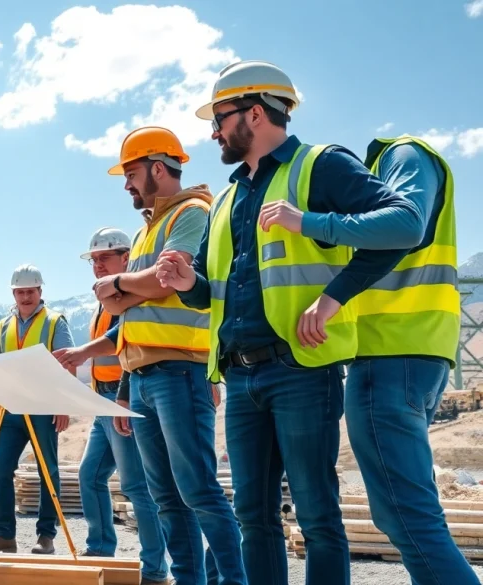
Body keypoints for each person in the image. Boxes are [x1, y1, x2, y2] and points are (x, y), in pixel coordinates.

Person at [156, 60, 420, 585]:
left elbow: (405, 224)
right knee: (253, 518)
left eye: (220, 117)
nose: (213, 131)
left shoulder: (320, 165)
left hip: (300, 370)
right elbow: (215, 294)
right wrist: (187, 284)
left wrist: (330, 291)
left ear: (255, 113)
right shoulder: (228, 198)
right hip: (240, 374)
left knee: (317, 517)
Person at [259, 133, 479, 584]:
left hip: (392, 351)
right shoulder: (397, 163)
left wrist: (311, 222)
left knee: (406, 515)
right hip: (408, 353)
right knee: (402, 513)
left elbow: (405, 223)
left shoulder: (402, 154)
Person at [81, 127, 244, 585]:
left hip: (181, 371)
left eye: (131, 173)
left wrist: (120, 285)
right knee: (165, 496)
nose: (127, 184)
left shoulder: (192, 213)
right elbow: (122, 308)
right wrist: (128, 387)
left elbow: (168, 280)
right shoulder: (146, 229)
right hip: (143, 378)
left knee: (199, 491)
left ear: (157, 168)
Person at [51, 228, 170, 583]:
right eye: (94, 260)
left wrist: (119, 393)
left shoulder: (130, 294)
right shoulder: (106, 299)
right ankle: (101, 549)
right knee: (91, 476)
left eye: (105, 258)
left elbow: (127, 347)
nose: (98, 266)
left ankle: (155, 568)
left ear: (126, 258)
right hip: (102, 400)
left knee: (136, 487)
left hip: (122, 397)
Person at [0, 264, 75, 555]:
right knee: (1, 469)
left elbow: (68, 363)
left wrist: (64, 403)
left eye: (30, 291)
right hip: (10, 409)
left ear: (40, 291)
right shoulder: (3, 325)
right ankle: (4, 535)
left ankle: (46, 536)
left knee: (48, 471)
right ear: (14, 293)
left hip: (43, 407)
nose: (25, 296)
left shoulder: (55, 322)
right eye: (20, 292)